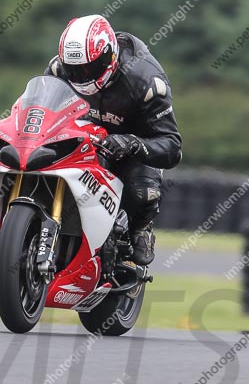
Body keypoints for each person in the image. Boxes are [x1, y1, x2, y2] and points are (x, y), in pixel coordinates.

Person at [45, 14, 182, 265]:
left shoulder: (146, 80)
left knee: (143, 195)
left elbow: (172, 146)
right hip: (80, 139)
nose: (80, 75)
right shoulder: (58, 69)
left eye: (88, 68)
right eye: (73, 69)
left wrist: (133, 143)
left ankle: (139, 230)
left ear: (109, 56)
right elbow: (41, 109)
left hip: (132, 145)